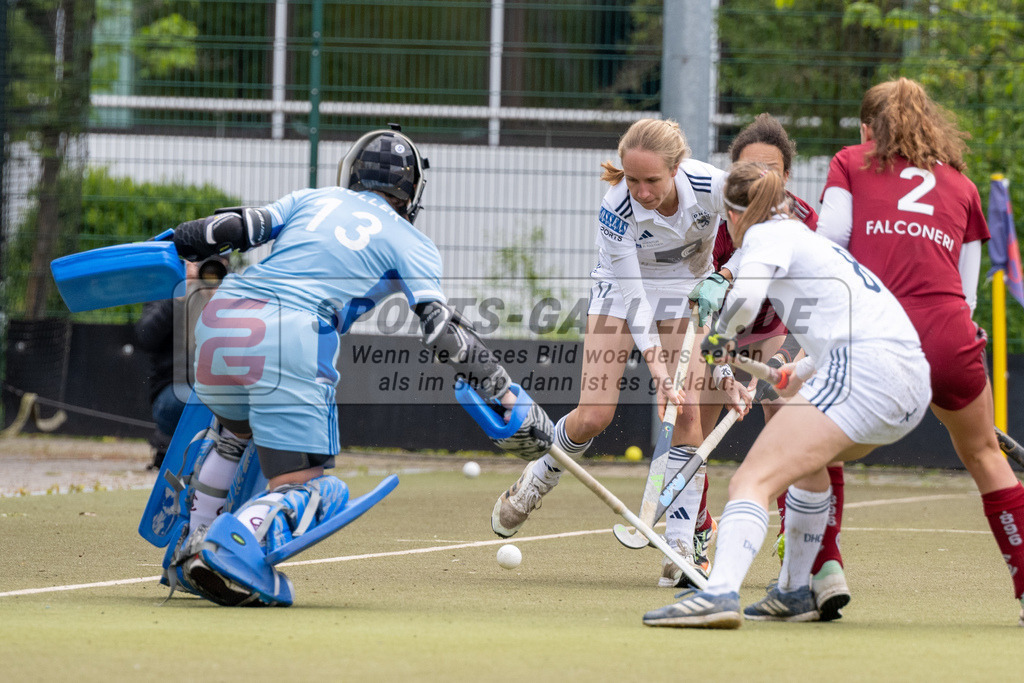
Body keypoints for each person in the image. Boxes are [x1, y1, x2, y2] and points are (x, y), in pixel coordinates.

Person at [159, 125, 554, 607]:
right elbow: (442, 331)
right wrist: (507, 395)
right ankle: (232, 546)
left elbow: (222, 231)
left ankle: (188, 550)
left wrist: (180, 239)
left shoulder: (312, 198)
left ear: (352, 173)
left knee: (233, 432)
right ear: (412, 195)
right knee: (312, 488)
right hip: (292, 336)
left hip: (220, 321)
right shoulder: (411, 242)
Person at [642, 161, 931, 628]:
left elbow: (747, 298)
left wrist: (721, 336)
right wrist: (801, 369)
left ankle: (718, 595)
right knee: (808, 467)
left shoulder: (765, 237)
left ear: (734, 216)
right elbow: (847, 319)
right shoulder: (808, 242)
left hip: (866, 373)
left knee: (751, 481)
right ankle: (795, 592)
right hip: (908, 379)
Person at [489, 117, 749, 587]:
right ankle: (537, 478)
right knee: (594, 415)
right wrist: (657, 367)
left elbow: (758, 237)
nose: (642, 192)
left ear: (677, 169)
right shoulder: (617, 210)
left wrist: (726, 277)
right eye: (633, 180)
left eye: (652, 181)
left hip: (688, 287)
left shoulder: (715, 186)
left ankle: (682, 545)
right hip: (620, 288)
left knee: (686, 410)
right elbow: (634, 300)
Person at [815, 77, 1024, 626]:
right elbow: (967, 292)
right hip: (950, 334)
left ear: (867, 130)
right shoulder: (962, 186)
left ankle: (821, 571)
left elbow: (831, 243)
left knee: (812, 451)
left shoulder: (850, 162)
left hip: (879, 334)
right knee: (984, 456)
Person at [689, 113, 851, 619]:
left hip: (789, 326)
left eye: (770, 170)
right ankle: (690, 534)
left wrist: (787, 363)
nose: (758, 180)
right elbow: (712, 306)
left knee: (793, 431)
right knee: (694, 407)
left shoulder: (802, 221)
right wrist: (719, 367)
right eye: (748, 169)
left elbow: (811, 308)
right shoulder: (720, 221)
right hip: (736, 327)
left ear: (787, 176)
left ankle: (800, 554)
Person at [134, 256, 229, 469]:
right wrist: (178, 297)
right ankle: (172, 447)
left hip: (217, 385)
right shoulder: (169, 291)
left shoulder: (228, 295)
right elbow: (145, 336)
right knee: (191, 398)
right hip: (173, 388)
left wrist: (218, 303)